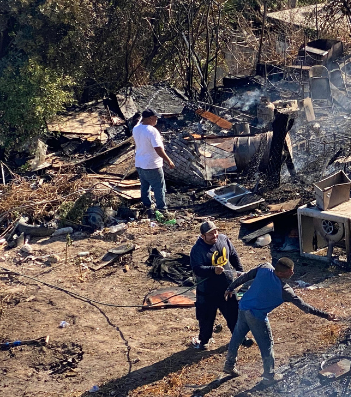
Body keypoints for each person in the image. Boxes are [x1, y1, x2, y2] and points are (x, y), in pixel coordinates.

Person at [222, 257, 337, 385]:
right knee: (267, 345)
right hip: (256, 316)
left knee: (237, 336)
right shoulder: (285, 290)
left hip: (243, 307)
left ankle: (229, 365)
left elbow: (247, 276)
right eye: (290, 272)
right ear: (281, 273)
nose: (292, 273)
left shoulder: (264, 267)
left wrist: (230, 287)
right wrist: (325, 315)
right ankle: (269, 376)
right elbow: (305, 307)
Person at [190, 221, 254, 350]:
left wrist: (239, 270)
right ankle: (204, 341)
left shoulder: (223, 239)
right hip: (207, 291)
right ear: (203, 236)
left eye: (215, 232)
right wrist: (212, 269)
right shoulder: (197, 249)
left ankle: (240, 337)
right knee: (206, 318)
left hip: (227, 287)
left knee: (233, 314)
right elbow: (197, 269)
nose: (215, 236)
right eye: (210, 234)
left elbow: (233, 255)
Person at [132, 108, 175, 216]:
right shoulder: (152, 131)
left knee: (144, 186)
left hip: (140, 163)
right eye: (155, 118)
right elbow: (158, 148)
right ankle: (162, 209)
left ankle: (147, 207)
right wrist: (168, 160)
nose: (157, 120)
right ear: (150, 118)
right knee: (159, 187)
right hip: (152, 164)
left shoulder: (136, 128)